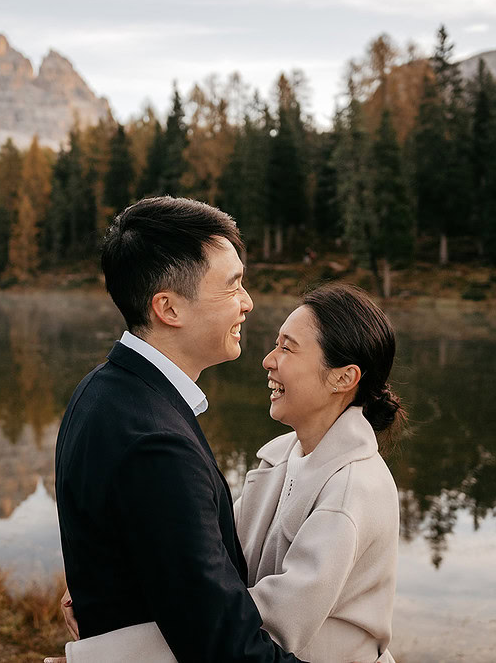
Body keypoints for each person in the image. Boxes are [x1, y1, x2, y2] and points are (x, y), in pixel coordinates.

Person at [55, 196, 303, 662]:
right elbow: (225, 649)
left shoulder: (102, 389)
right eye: (232, 287)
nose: (248, 303)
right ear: (169, 308)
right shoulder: (156, 445)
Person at [234, 284, 402, 663]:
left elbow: (274, 622)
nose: (268, 360)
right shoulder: (281, 458)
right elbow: (214, 555)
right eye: (276, 344)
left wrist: (122, 631)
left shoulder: (351, 489)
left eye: (287, 348)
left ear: (343, 378)